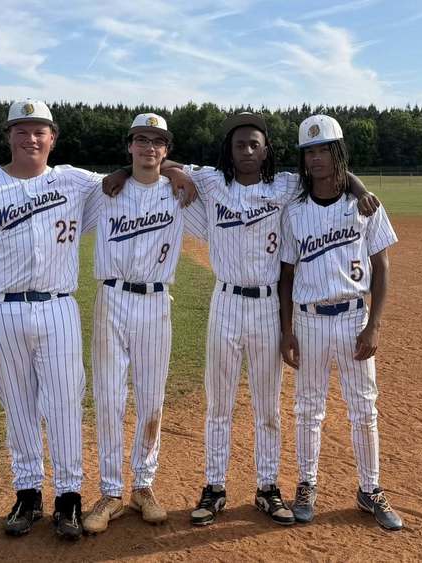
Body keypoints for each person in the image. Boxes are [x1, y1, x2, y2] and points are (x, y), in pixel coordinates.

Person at [107, 112, 380, 527]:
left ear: (266, 149)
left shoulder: (286, 185)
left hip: (269, 305)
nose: (248, 151)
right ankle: (214, 487)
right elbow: (157, 164)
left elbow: (335, 173)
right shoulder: (213, 182)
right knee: (219, 402)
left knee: (267, 406)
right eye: (240, 144)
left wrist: (360, 189)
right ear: (229, 151)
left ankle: (267, 487)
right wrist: (125, 170)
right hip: (226, 302)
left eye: (255, 144)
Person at [0, 101, 192, 541]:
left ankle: (69, 499)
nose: (31, 138)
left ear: (52, 138)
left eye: (39, 131)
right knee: (17, 406)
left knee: (65, 405)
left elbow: (140, 171)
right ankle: (27, 493)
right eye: (21, 130)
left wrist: (171, 168)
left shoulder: (75, 181)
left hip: (59, 306)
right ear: (9, 137)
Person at [81, 114, 207, 534]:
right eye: (141, 140)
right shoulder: (106, 190)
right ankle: (111, 491)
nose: (149, 147)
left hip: (156, 301)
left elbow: (220, 184)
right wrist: (119, 173)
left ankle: (144, 486)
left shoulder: (180, 194)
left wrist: (177, 172)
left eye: (158, 142)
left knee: (152, 397)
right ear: (129, 146)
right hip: (111, 298)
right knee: (110, 397)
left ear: (166, 149)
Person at [278, 114, 404, 531]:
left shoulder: (364, 205)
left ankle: (370, 489)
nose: (315, 159)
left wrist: (376, 325)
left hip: (354, 317)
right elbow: (287, 275)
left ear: (338, 153)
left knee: (364, 409)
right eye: (308, 151)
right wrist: (286, 329)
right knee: (308, 409)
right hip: (309, 319)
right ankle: (306, 484)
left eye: (323, 150)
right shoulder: (295, 211)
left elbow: (382, 267)